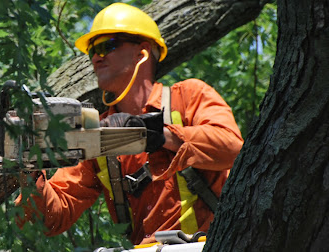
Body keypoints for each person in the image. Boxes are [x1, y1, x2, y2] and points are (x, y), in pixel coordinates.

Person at [15, 3, 243, 245]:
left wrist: (157, 135)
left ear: (141, 52)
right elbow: (50, 219)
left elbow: (233, 149)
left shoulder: (187, 97)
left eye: (107, 45)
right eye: (92, 50)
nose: (95, 57)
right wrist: (30, 170)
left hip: (210, 244)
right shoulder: (98, 135)